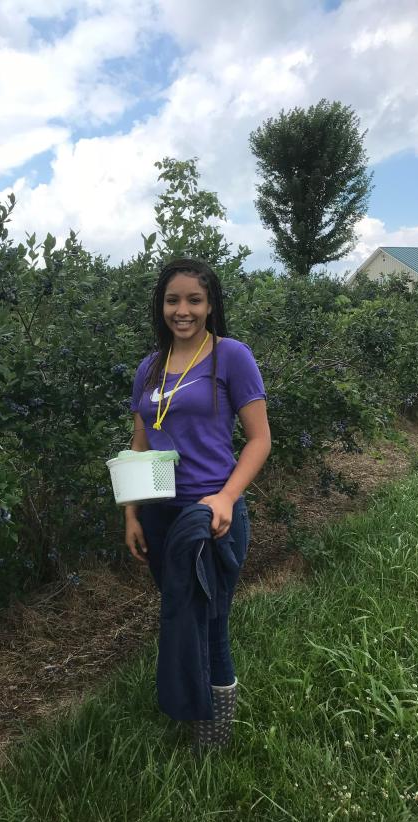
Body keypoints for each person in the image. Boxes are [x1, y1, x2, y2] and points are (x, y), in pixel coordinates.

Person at [125, 258, 271, 751]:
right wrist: (132, 513)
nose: (182, 310)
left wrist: (227, 497)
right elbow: (141, 444)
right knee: (178, 612)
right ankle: (189, 705)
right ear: (160, 306)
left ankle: (213, 736)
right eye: (173, 300)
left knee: (211, 621)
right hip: (161, 513)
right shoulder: (149, 366)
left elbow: (259, 441)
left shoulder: (230, 357)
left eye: (193, 300)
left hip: (210, 514)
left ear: (210, 306)